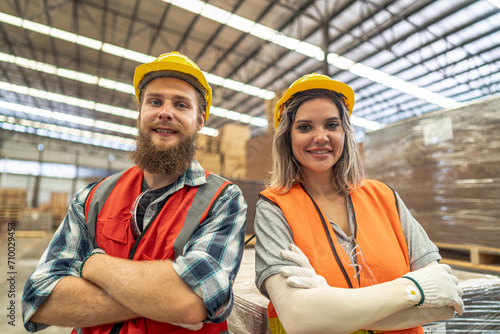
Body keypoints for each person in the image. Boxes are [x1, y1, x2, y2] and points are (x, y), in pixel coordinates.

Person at [22, 51, 248, 334]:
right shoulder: (92, 199)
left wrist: (93, 265)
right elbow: (38, 300)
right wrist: (162, 297)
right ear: (141, 113)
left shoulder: (223, 199)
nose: (166, 112)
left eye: (180, 104)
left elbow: (191, 302)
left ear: (200, 121)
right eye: (155, 101)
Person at [254, 73, 464, 334]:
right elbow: (300, 320)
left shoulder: (385, 198)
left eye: (332, 125)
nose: (321, 137)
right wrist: (415, 290)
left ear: (345, 133)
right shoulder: (274, 207)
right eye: (305, 127)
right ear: (287, 137)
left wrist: (328, 304)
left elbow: (445, 302)